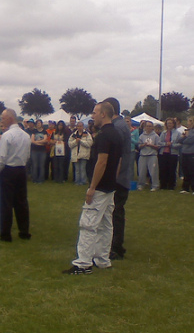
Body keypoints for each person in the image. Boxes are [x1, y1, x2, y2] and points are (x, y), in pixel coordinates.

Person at [63, 101, 122, 275]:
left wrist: (92, 187)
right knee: (105, 224)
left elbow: (101, 161)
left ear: (103, 114)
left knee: (88, 224)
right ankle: (102, 260)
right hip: (110, 187)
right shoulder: (117, 134)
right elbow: (118, 162)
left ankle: (83, 264)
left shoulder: (104, 135)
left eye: (95, 112)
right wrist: (113, 179)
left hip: (101, 187)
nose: (93, 115)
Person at [0, 108, 31, 242]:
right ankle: (24, 231)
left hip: (8, 170)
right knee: (22, 202)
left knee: (6, 203)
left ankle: (6, 234)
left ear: (9, 118)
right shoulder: (26, 136)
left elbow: (1, 157)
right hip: (21, 169)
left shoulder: (7, 136)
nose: (2, 120)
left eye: (3, 118)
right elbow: (27, 155)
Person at [104, 97, 132, 261]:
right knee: (115, 211)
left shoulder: (118, 127)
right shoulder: (120, 125)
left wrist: (112, 178)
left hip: (118, 178)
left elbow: (118, 156)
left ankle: (116, 247)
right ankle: (114, 245)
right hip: (120, 176)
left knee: (116, 212)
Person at [158, 118, 181, 190]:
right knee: (163, 169)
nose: (169, 125)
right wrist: (166, 144)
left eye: (171, 123)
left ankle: (171, 185)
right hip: (163, 153)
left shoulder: (178, 133)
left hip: (173, 153)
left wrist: (172, 145)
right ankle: (163, 185)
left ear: (174, 124)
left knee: (172, 169)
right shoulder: (163, 133)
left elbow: (180, 144)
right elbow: (159, 143)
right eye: (168, 123)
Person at [138, 121, 160, 191]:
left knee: (153, 171)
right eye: (147, 126)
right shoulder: (142, 136)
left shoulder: (156, 136)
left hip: (152, 155)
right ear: (145, 127)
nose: (148, 127)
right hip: (143, 155)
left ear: (152, 127)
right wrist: (143, 145)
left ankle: (155, 185)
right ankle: (141, 185)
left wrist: (152, 145)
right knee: (141, 171)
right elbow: (138, 145)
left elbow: (158, 146)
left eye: (150, 126)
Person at [179, 116, 194, 194]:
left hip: (192, 153)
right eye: (189, 121)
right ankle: (185, 188)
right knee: (185, 171)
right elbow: (179, 140)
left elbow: (190, 141)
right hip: (184, 153)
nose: (189, 123)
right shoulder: (187, 131)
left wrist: (186, 137)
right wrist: (184, 137)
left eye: (191, 121)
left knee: (192, 171)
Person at [30, 119, 48, 184]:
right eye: (37, 123)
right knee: (35, 165)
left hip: (42, 151)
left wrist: (36, 142)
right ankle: (34, 179)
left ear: (42, 124)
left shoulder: (44, 132)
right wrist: (40, 142)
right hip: (34, 150)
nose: (38, 124)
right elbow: (32, 141)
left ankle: (41, 179)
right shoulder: (34, 131)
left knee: (41, 165)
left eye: (39, 123)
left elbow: (45, 140)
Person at [124, 116, 139, 181]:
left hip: (131, 151)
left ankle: (130, 181)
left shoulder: (135, 131)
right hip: (123, 151)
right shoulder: (122, 130)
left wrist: (130, 138)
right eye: (125, 122)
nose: (126, 123)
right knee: (123, 167)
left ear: (130, 122)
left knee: (130, 167)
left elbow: (137, 142)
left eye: (128, 121)